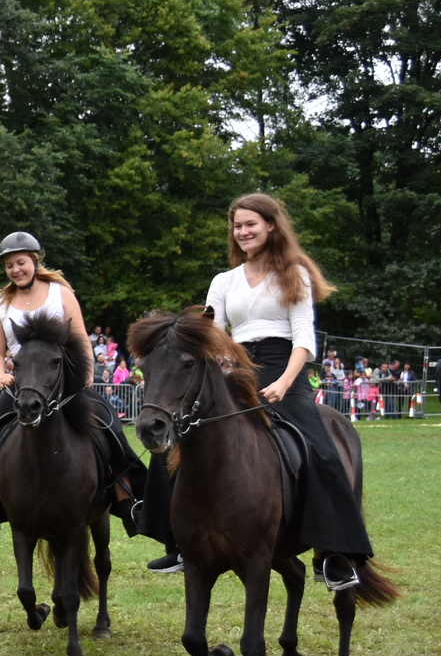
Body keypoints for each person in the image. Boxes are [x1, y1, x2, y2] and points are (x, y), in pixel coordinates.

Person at [146, 193, 375, 587]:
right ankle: (180, 542)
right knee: (176, 439)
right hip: (236, 372)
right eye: (237, 226)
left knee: (321, 452)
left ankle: (335, 553)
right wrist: (219, 372)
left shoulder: (294, 273)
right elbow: (213, 335)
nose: (243, 231)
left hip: (285, 371)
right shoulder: (223, 281)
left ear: (271, 225)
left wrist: (284, 382)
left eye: (250, 224)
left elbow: (304, 338)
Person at [0, 231, 145, 543]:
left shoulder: (60, 293)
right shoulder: (1, 303)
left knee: (110, 426)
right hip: (23, 385)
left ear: (34, 260)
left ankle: (130, 502)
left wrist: (87, 370)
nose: (15, 270)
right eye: (9, 265)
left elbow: (80, 338)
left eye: (20, 262)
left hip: (64, 383)